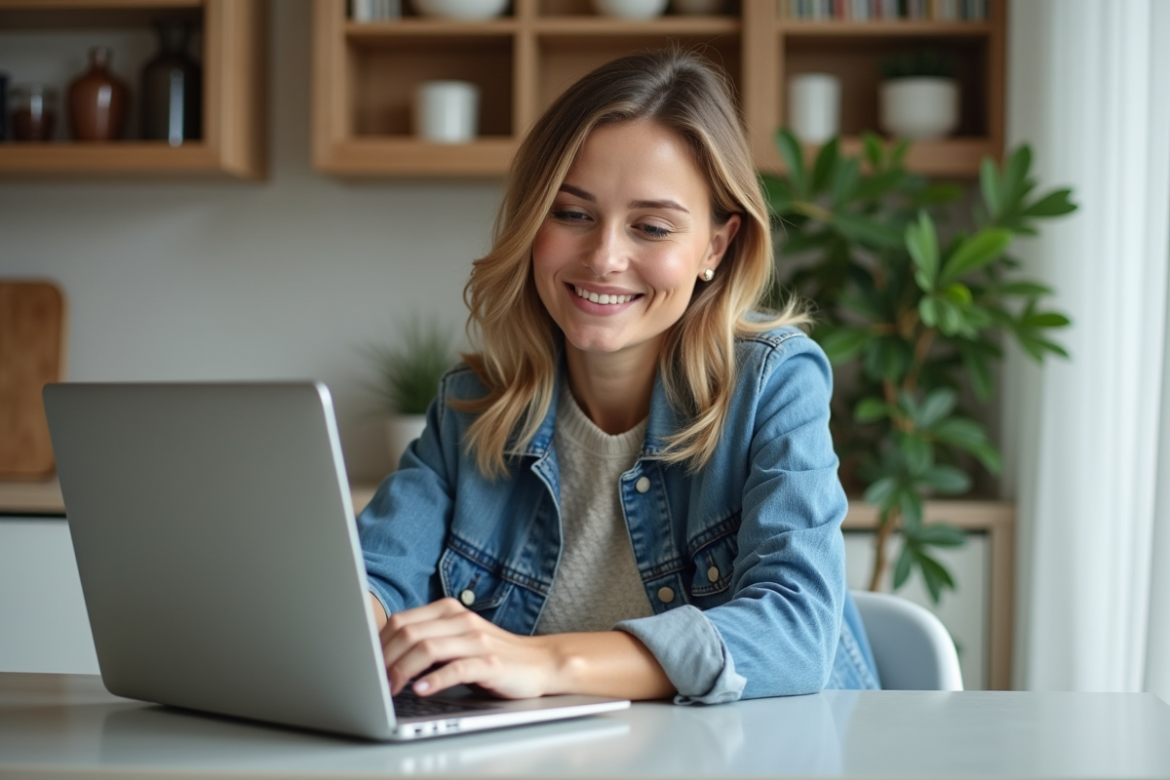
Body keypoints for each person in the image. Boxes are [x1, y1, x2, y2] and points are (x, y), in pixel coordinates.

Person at [357, 48, 881, 705]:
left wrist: (546, 663)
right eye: (572, 214)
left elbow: (795, 634)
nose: (604, 257)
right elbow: (374, 580)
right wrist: (352, 627)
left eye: (652, 227)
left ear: (715, 247)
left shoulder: (774, 383)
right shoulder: (472, 407)